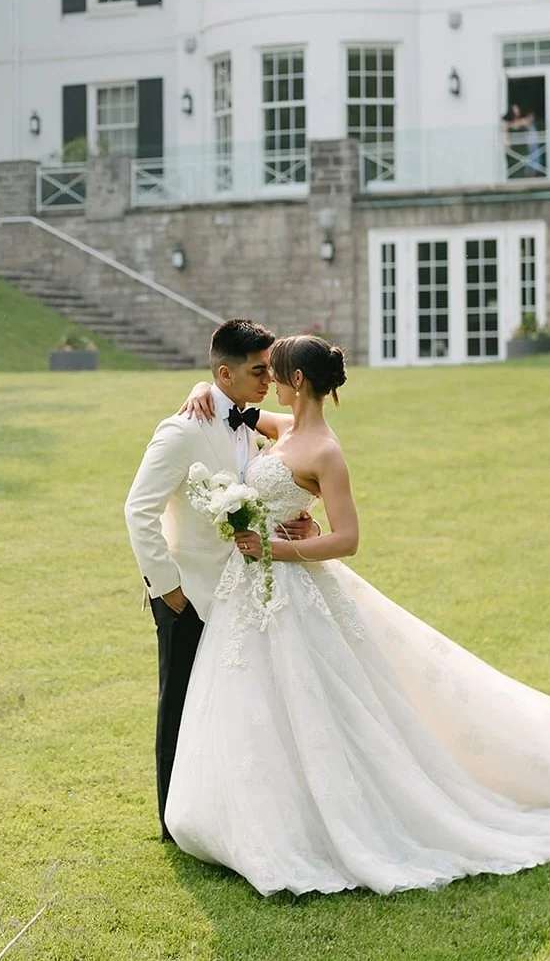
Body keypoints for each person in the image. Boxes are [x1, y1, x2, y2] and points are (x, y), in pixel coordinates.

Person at [159, 334, 550, 897]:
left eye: (275, 372)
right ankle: (249, 811)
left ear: (295, 377)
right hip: (257, 592)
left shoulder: (324, 449)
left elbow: (347, 539)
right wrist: (200, 391)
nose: (266, 380)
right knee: (259, 702)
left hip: (286, 578)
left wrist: (281, 546)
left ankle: (321, 821)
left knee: (320, 702)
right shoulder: (287, 428)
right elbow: (240, 414)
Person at [123, 320, 318, 842]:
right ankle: (171, 822)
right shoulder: (183, 430)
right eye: (258, 371)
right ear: (225, 374)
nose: (267, 379)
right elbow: (138, 509)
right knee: (180, 705)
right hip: (188, 594)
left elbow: (255, 497)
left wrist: (295, 524)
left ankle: (222, 813)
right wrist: (168, 590)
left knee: (231, 707)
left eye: (270, 369)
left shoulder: (250, 422)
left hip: (240, 591)